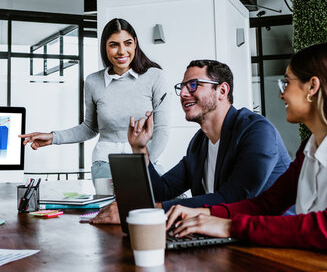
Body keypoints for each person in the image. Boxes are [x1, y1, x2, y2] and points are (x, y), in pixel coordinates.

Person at [166, 44, 327, 272]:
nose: (282, 93)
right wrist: (204, 214)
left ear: (312, 87)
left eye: (288, 82)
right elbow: (264, 204)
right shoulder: (310, 149)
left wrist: (229, 227)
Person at [92, 59, 290, 224]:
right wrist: (140, 148)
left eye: (193, 84)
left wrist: (147, 212)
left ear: (222, 91)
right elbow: (163, 191)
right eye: (183, 87)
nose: (184, 93)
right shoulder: (199, 143)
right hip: (222, 237)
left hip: (273, 244)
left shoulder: (257, 131)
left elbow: (234, 200)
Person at [18, 18, 170, 180]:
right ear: (104, 47)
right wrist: (53, 137)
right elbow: (90, 128)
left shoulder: (155, 76)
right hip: (106, 162)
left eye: (127, 43)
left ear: (135, 43)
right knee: (114, 203)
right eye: (114, 45)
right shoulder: (93, 81)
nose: (122, 51)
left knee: (161, 200)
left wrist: (144, 164)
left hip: (146, 160)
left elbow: (162, 130)